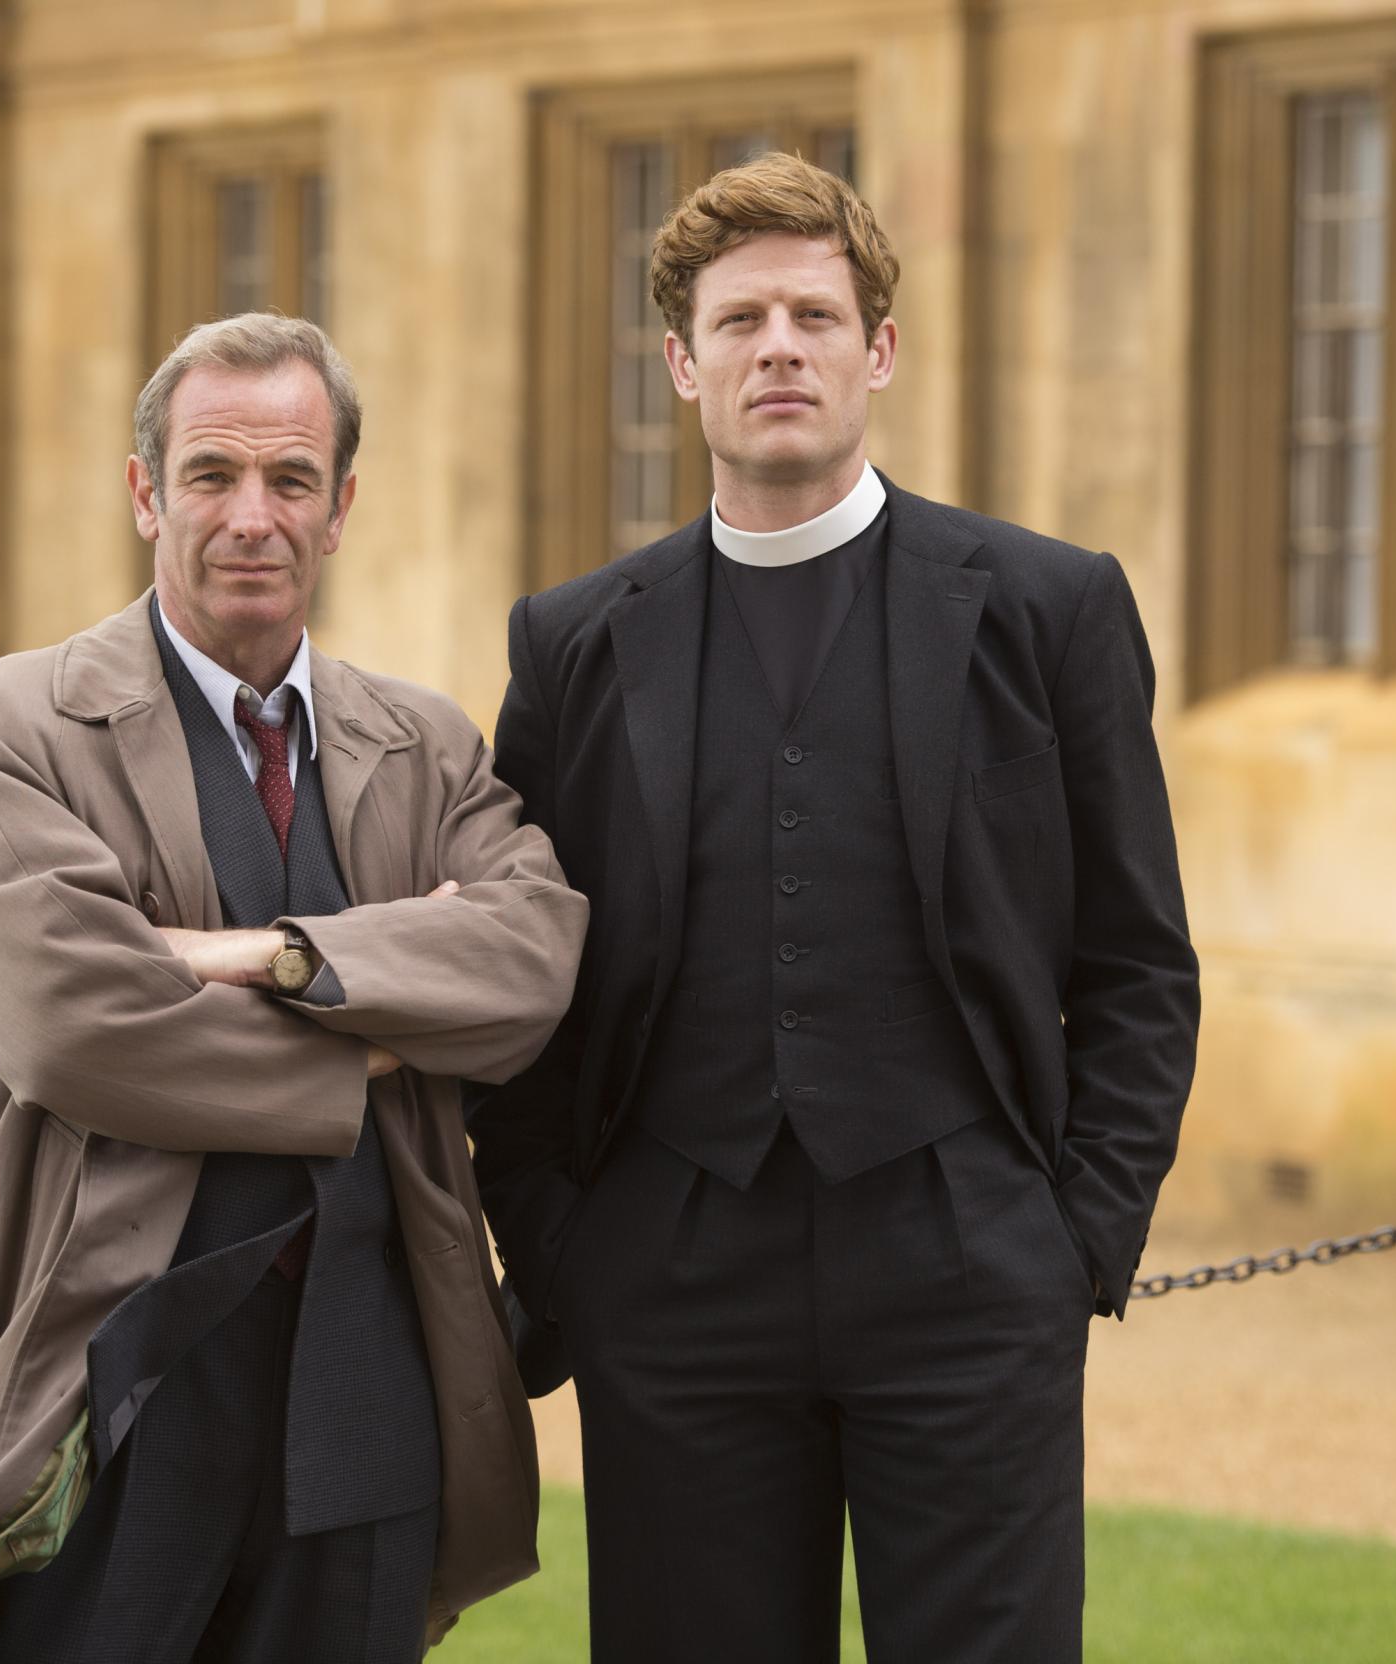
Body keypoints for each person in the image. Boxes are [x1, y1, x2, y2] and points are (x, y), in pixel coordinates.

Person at [0, 314, 587, 1664]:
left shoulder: (424, 743)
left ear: (341, 508)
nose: (253, 516)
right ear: (146, 494)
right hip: (111, 1388)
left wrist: (269, 957)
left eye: (292, 480)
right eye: (211, 475)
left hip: (373, 1395)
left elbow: (535, 960)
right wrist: (388, 1033)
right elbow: (73, 1030)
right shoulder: (10, 728)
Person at [468, 153, 1201, 1662]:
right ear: (683, 364)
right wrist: (563, 1250)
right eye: (739, 322)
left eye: (815, 314)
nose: (779, 347)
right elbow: (516, 965)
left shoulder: (1049, 610)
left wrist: (1068, 1242)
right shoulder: (575, 645)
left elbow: (1136, 961)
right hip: (670, 1283)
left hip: (968, 1269)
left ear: (879, 352)